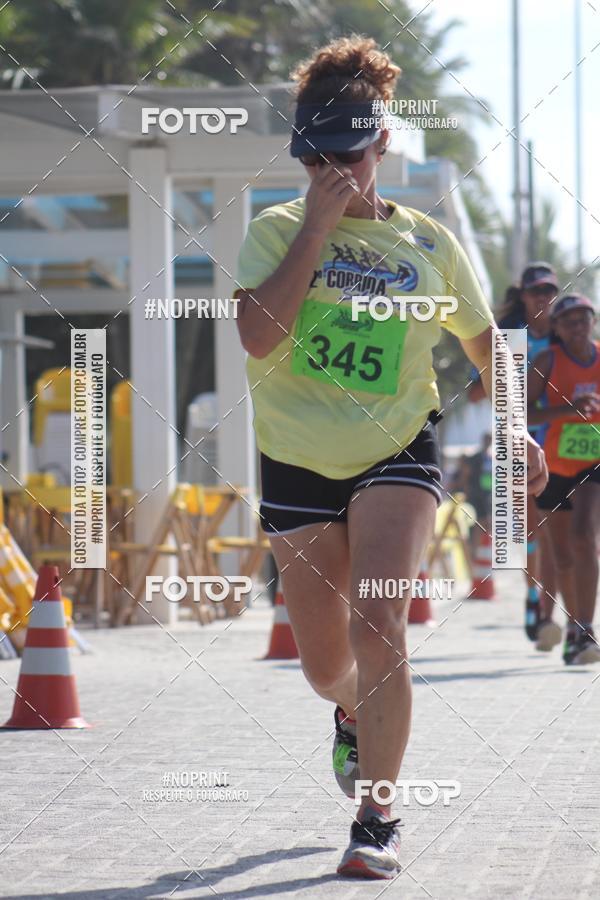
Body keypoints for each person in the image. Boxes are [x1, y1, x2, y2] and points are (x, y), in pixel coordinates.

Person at [234, 35, 548, 879]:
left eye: (349, 155)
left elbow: (486, 345)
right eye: (317, 159)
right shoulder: (273, 231)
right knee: (326, 667)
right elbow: (257, 336)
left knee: (380, 626)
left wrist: (514, 426)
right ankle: (349, 714)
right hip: (296, 459)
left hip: (397, 449)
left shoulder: (431, 244)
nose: (334, 172)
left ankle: (378, 818)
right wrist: (318, 228)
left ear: (382, 143)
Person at [469, 263, 560, 651]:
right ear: (522, 295)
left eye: (549, 291)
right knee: (531, 530)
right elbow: (475, 393)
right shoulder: (507, 335)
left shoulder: (564, 333)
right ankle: (534, 597)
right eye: (536, 291)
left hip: (559, 440)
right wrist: (506, 377)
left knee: (559, 529)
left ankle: (551, 612)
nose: (543, 298)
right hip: (517, 442)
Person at [528, 293, 600, 665]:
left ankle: (586, 628)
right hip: (555, 464)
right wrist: (567, 410)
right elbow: (521, 413)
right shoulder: (547, 361)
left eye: (583, 319)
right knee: (563, 556)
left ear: (593, 321)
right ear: (556, 327)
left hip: (594, 461)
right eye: (569, 321)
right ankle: (573, 632)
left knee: (584, 536)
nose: (578, 327)